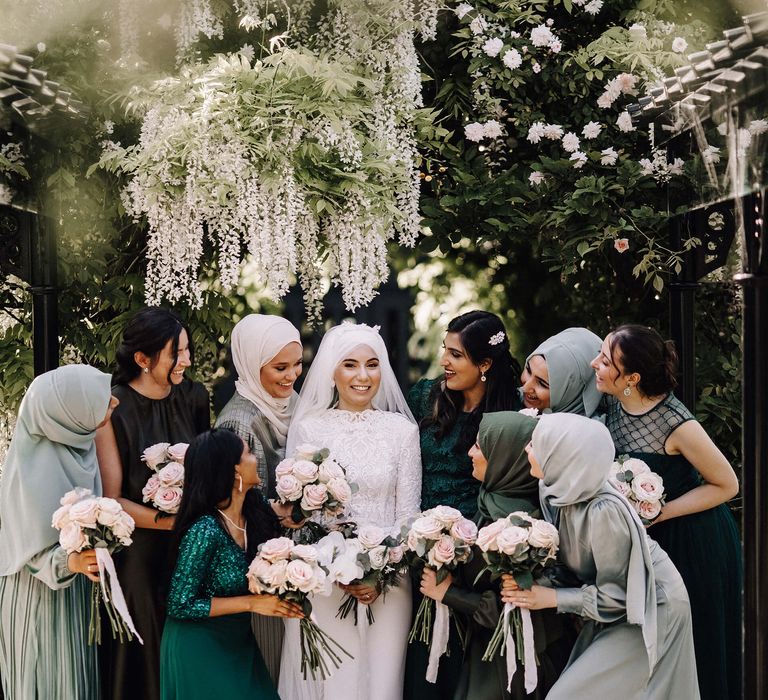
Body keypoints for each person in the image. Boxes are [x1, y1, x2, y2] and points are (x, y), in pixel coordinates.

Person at [501, 413, 700, 699]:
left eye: (535, 444)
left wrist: (550, 599)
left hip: (649, 607)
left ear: (561, 456)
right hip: (613, 604)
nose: (526, 450)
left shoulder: (603, 511)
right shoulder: (556, 489)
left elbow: (619, 594)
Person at [592, 324, 741, 700]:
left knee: (696, 643)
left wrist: (659, 512)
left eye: (606, 361)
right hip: (647, 540)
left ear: (632, 378)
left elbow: (727, 485)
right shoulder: (609, 405)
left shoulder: (677, 423)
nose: (595, 364)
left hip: (694, 539)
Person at [279, 323, 421, 700]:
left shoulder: (402, 431)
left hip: (390, 583)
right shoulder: (310, 428)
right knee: (334, 684)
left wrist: (380, 571)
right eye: (351, 365)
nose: (363, 376)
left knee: (382, 683)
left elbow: (409, 515)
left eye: (372, 365)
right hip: (326, 581)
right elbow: (303, 515)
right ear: (332, 371)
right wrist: (337, 568)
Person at [405, 310, 522, 700]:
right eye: (445, 350)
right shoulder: (426, 396)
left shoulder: (510, 415)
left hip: (475, 557)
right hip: (418, 547)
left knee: (460, 665)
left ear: (484, 364)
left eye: (456, 355)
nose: (444, 362)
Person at [96, 307, 210, 700]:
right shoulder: (112, 407)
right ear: (143, 360)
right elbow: (112, 498)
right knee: (147, 653)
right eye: (176, 353)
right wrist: (169, 522)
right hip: (139, 553)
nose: (187, 360)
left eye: (187, 349)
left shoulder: (195, 396)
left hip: (190, 546)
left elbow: (208, 473)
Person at [418, 412, 572, 699]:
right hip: (485, 653)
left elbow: (512, 610)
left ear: (503, 458)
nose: (470, 453)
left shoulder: (520, 527)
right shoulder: (488, 504)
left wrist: (448, 592)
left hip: (509, 671)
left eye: (479, 446)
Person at [0, 365, 117, 699]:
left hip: (72, 594)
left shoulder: (80, 450)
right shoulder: (30, 467)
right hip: (35, 596)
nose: (114, 402)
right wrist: (72, 562)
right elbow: (28, 550)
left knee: (74, 681)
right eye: (100, 398)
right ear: (67, 410)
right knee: (47, 681)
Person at [160, 428, 303, 699]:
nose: (255, 458)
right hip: (198, 646)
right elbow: (179, 603)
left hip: (238, 641)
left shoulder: (253, 509)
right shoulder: (205, 530)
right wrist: (252, 603)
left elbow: (282, 517)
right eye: (248, 453)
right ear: (234, 470)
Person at [215, 313, 304, 682]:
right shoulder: (240, 421)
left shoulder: (291, 402)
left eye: (298, 364)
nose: (292, 375)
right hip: (261, 568)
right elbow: (237, 507)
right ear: (253, 366)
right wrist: (287, 512)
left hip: (294, 561)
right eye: (280, 367)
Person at [520, 327, 602, 416]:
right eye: (528, 370)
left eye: (542, 384)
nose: (525, 388)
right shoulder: (509, 398)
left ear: (571, 393)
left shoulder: (583, 429)